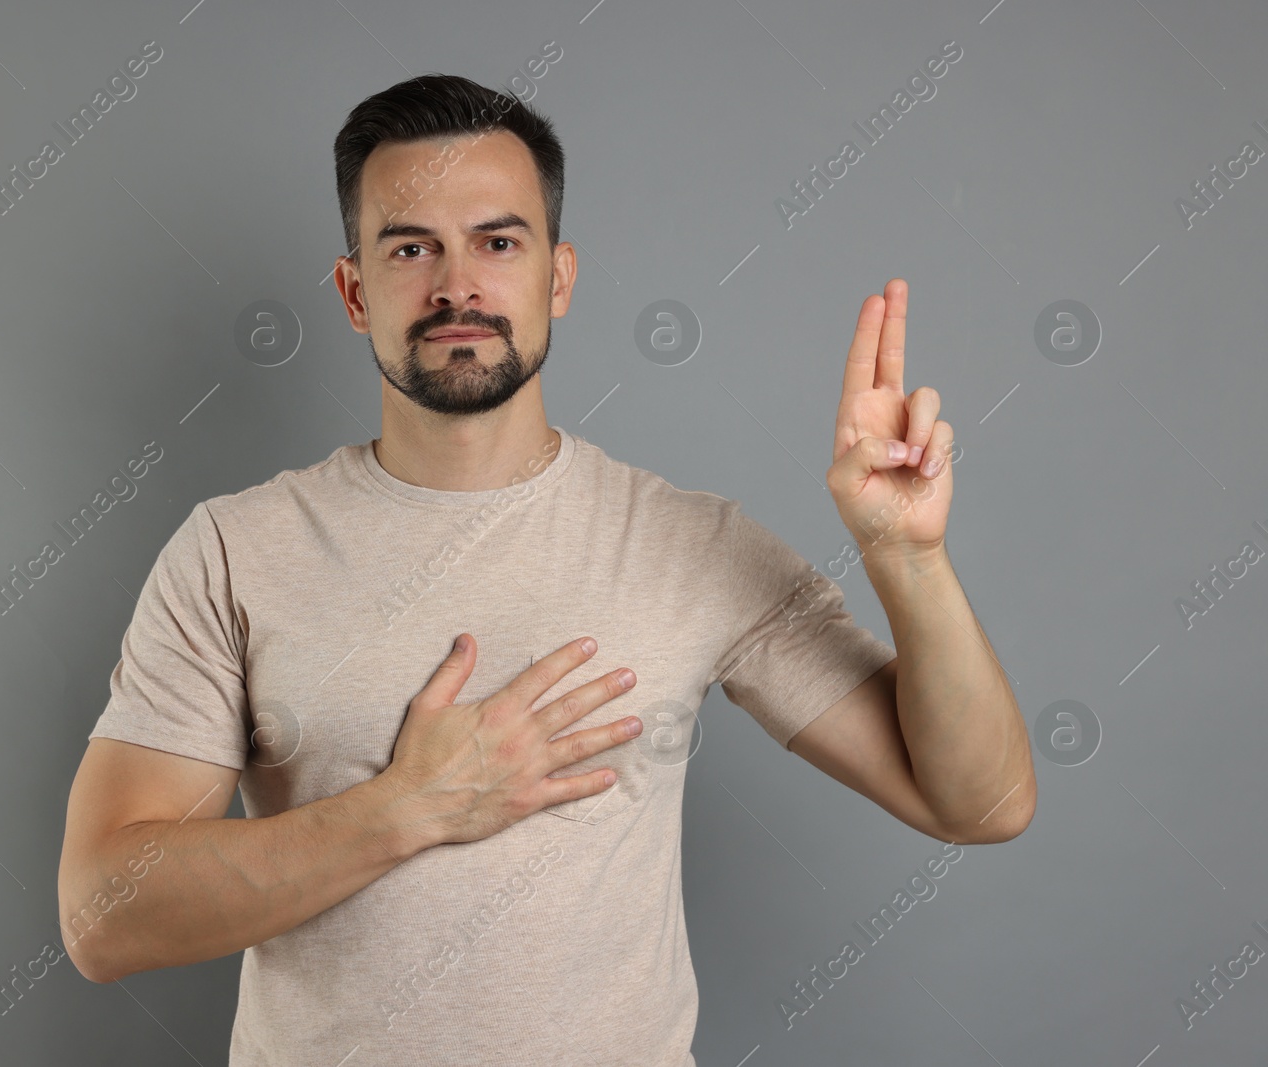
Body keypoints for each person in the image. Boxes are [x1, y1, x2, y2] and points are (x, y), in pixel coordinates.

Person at [57, 73, 1035, 1066]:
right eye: (410, 247)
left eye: (497, 240)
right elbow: (102, 914)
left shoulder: (690, 544)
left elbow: (981, 804)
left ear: (557, 277)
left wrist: (906, 560)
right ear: (355, 291)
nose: (456, 287)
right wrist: (405, 808)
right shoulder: (235, 550)